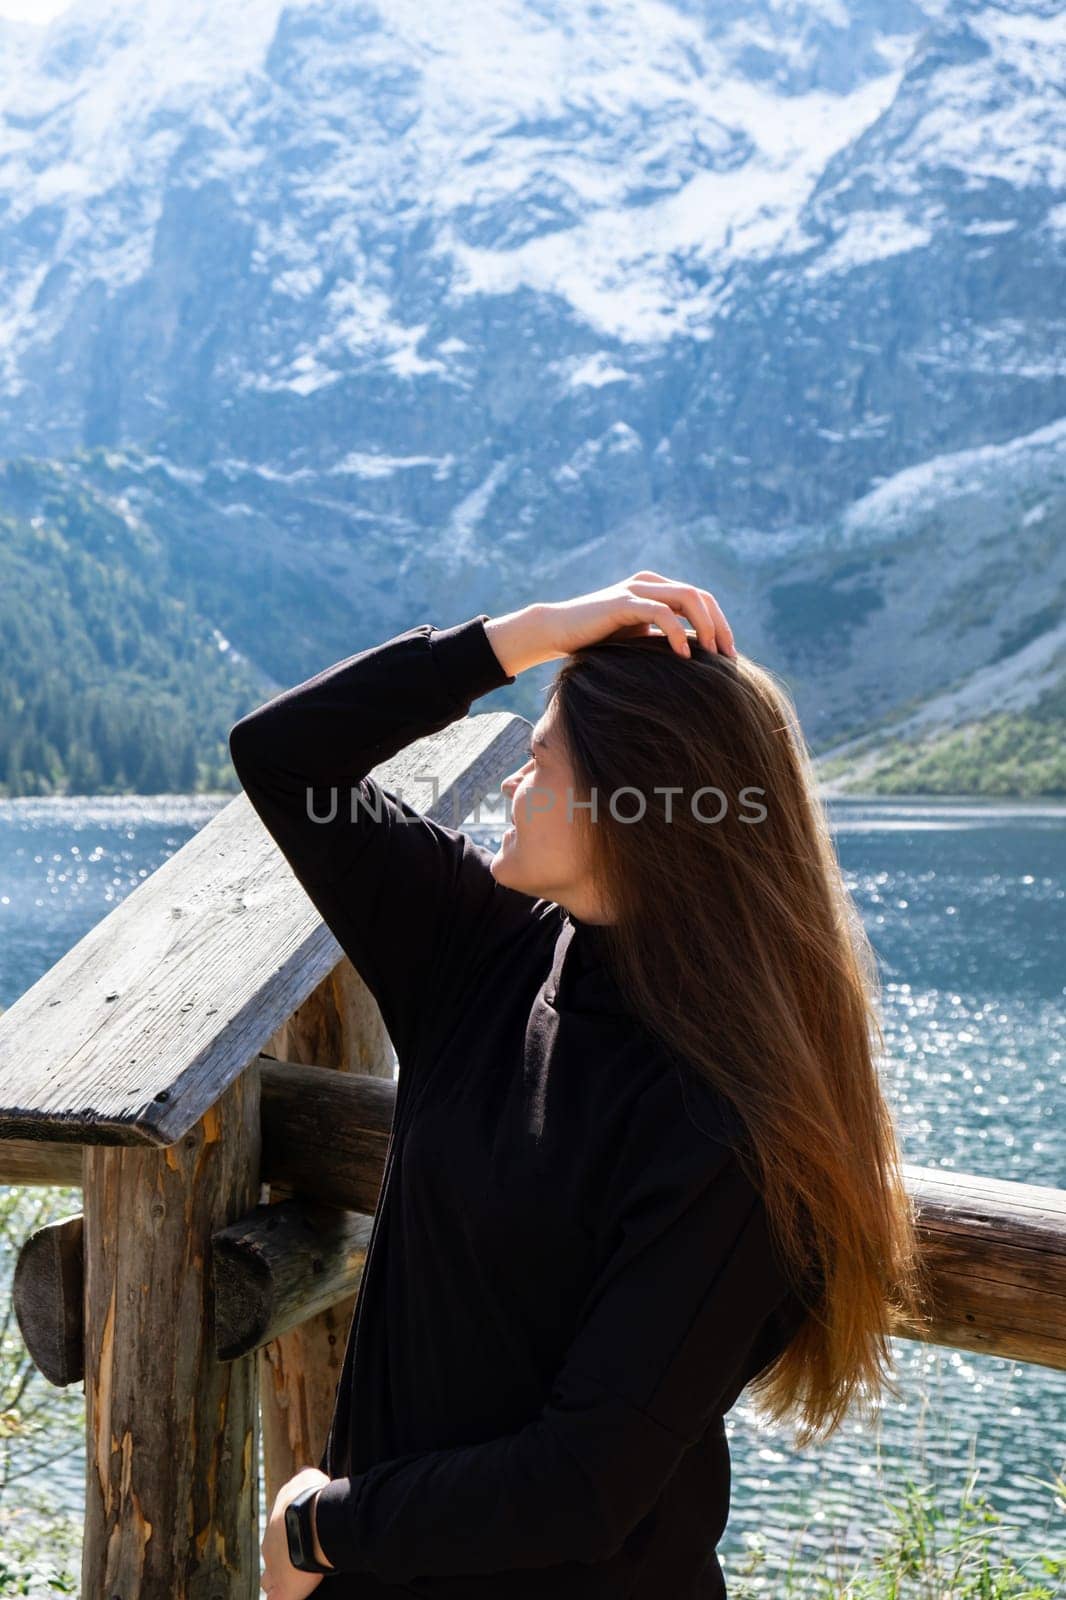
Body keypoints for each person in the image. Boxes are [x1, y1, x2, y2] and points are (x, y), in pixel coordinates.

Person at [237, 572, 930, 1600]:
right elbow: (283, 755)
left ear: (628, 802)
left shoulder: (728, 1113)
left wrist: (318, 1528)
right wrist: (527, 634)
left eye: (540, 759)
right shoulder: (480, 953)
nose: (511, 786)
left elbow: (585, 1484)